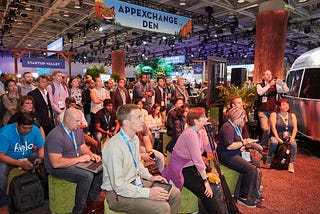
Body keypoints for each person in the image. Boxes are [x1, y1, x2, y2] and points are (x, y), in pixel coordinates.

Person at [101, 104, 180, 214]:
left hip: (135, 183)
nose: (142, 120)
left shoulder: (134, 139)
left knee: (175, 193)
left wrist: (151, 177)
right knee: (162, 207)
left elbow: (137, 164)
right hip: (117, 194)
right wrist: (148, 193)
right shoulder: (114, 147)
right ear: (126, 122)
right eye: (138, 117)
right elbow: (118, 186)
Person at [162, 107, 223, 214]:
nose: (206, 118)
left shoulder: (201, 131)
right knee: (205, 190)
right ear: (196, 120)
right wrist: (205, 181)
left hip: (191, 165)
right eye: (203, 117)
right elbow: (198, 159)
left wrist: (210, 134)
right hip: (180, 168)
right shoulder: (190, 134)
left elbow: (210, 148)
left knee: (212, 184)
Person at [44, 108, 102, 214]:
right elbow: (55, 163)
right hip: (58, 168)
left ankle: (91, 200)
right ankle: (78, 210)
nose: (80, 123)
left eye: (80, 120)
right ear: (66, 119)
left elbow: (82, 146)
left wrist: (91, 154)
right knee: (86, 176)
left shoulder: (76, 130)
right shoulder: (55, 136)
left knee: (101, 168)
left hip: (74, 161)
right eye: (76, 121)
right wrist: (79, 159)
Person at [217, 106, 258, 208]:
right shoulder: (228, 127)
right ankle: (242, 197)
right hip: (226, 155)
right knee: (251, 169)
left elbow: (235, 144)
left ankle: (253, 191)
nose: (242, 120)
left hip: (235, 152)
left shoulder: (234, 126)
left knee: (256, 162)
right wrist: (243, 142)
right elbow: (229, 146)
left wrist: (242, 146)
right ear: (236, 117)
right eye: (242, 117)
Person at [0, 112, 44, 203]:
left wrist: (40, 158)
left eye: (30, 128)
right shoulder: (5, 132)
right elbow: (1, 156)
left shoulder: (35, 130)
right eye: (24, 128)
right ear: (17, 125)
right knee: (1, 171)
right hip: (9, 159)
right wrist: (19, 163)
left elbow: (42, 147)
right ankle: (3, 201)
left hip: (27, 156)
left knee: (45, 158)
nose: (27, 130)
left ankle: (42, 191)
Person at [256, 70, 289, 147]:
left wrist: (281, 83)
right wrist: (269, 85)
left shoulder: (276, 86)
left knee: (273, 128)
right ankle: (263, 144)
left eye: (270, 74)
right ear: (263, 76)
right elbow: (260, 93)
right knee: (266, 129)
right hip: (262, 111)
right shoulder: (259, 85)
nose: (269, 76)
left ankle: (266, 145)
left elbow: (286, 90)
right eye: (267, 74)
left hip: (272, 111)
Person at [265, 99, 298, 173]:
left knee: (294, 144)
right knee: (274, 142)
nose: (286, 106)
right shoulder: (274, 114)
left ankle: (291, 163)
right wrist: (277, 138)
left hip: (288, 136)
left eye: (287, 104)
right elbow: (273, 128)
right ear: (279, 106)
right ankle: (269, 157)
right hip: (276, 135)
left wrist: (292, 138)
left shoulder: (292, 115)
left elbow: (295, 128)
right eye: (284, 104)